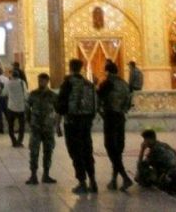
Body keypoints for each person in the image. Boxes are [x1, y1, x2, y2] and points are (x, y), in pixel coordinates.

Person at [55, 57, 99, 193]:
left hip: (72, 122)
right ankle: (93, 180)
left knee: (75, 152)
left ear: (70, 67)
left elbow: (61, 105)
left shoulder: (68, 83)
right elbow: (95, 105)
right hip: (85, 123)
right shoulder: (88, 84)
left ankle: (82, 182)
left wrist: (57, 124)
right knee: (87, 151)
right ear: (81, 68)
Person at [98, 60, 134, 189]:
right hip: (121, 118)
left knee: (110, 147)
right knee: (117, 150)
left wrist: (101, 113)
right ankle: (114, 180)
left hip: (110, 117)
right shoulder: (124, 84)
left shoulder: (107, 83)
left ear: (107, 71)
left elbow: (97, 99)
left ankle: (125, 177)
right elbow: (129, 103)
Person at [24, 72, 59, 185]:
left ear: (47, 81)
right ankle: (33, 175)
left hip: (48, 128)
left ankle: (46, 174)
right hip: (36, 127)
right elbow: (27, 108)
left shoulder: (52, 95)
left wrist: (57, 124)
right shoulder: (33, 94)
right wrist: (29, 120)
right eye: (39, 80)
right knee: (34, 151)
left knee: (48, 151)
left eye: (43, 80)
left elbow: (58, 110)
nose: (41, 82)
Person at [3, 65, 28, 147]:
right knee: (22, 126)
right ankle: (19, 141)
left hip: (11, 107)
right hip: (21, 108)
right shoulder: (22, 82)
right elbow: (26, 94)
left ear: (12, 75)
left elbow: (4, 93)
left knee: (10, 126)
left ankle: (14, 141)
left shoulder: (8, 83)